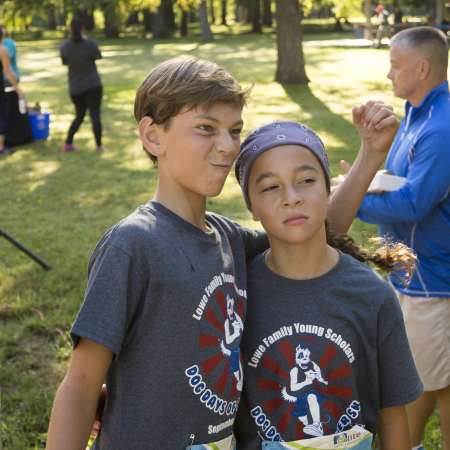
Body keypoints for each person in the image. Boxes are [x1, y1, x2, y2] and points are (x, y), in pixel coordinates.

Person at [45, 56, 397, 450]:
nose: (227, 146)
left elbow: (314, 231)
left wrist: (369, 156)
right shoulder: (133, 244)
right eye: (206, 129)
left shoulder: (229, 238)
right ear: (153, 136)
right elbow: (80, 386)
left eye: (234, 130)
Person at [233, 121, 422, 450]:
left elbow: (392, 413)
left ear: (327, 189)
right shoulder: (237, 294)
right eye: (270, 187)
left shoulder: (370, 294)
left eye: (306, 181)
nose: (291, 198)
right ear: (251, 206)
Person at [333, 27, 450, 450]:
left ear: (422, 68)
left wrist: (349, 200)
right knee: (424, 382)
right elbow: (401, 185)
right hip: (406, 273)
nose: (388, 75)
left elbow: (416, 202)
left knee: (424, 389)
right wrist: (361, 180)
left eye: (395, 65)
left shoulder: (442, 128)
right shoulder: (414, 114)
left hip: (432, 283)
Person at [60, 18, 103, 152]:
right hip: (93, 84)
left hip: (76, 87)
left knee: (79, 115)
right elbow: (98, 56)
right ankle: (99, 146)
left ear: (70, 29)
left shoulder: (64, 47)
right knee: (94, 115)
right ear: (83, 28)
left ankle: (68, 143)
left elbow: (65, 62)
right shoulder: (90, 44)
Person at [0, 26, 22, 155]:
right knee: (1, 115)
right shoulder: (2, 50)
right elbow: (7, 72)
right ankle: (1, 147)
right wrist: (17, 88)